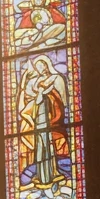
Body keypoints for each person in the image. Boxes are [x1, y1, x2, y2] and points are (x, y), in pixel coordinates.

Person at [18, 56, 71, 191]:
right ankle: (43, 175)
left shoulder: (56, 78)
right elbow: (28, 97)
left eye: (42, 66)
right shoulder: (37, 83)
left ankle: (55, 172)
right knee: (42, 147)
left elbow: (60, 100)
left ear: (47, 65)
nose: (40, 69)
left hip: (51, 114)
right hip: (40, 120)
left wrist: (46, 96)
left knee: (53, 145)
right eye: (38, 67)